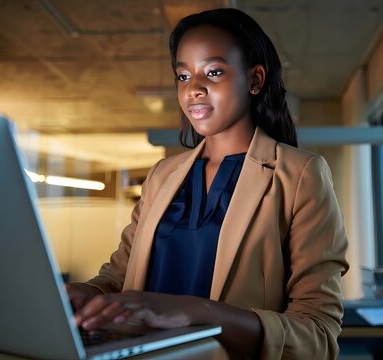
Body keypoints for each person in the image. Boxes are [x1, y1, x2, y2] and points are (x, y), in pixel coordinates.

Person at [66, 8, 349, 359]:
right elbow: (118, 279)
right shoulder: (162, 175)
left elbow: (318, 335)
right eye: (183, 76)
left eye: (213, 72)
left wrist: (196, 312)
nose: (194, 89)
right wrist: (88, 294)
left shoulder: (301, 174)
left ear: (255, 80)